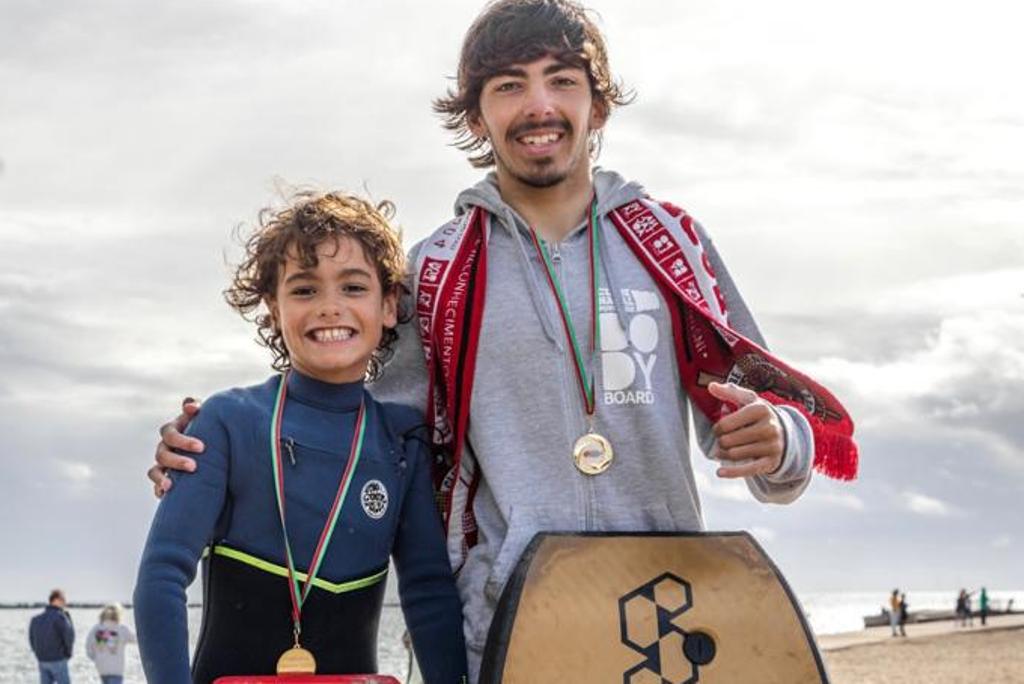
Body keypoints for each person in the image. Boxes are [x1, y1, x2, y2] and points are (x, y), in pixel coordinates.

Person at [148, 1, 858, 679]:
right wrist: (215, 450)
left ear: (597, 105)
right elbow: (360, 433)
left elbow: (771, 443)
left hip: (668, 608)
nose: (538, 106)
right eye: (509, 85)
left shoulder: (669, 244)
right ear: (476, 115)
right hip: (508, 622)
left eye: (562, 81)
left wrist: (782, 438)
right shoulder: (437, 271)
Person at [134, 192, 467, 684]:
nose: (330, 308)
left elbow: (428, 590)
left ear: (389, 305)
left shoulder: (401, 438)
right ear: (273, 307)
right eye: (305, 290)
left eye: (354, 287)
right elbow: (162, 576)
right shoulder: (228, 421)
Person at [28, 589, 75, 684]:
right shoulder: (61, 617)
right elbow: (69, 637)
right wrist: (68, 654)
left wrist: (38, 653)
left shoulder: (35, 619)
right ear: (57, 600)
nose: (65, 602)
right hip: (58, 660)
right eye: (63, 599)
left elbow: (31, 639)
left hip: (42, 660)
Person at [84, 603, 135, 684]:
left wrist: (95, 658)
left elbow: (88, 646)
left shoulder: (96, 628)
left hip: (101, 667)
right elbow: (135, 639)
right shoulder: (122, 629)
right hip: (116, 669)